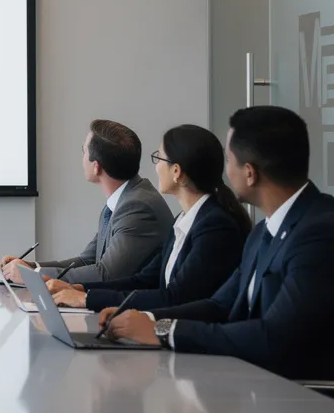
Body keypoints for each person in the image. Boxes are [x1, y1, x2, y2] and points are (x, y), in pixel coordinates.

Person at [102, 106, 334, 387]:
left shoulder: (322, 236)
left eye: (229, 161)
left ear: (250, 173)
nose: (224, 172)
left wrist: (164, 331)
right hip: (274, 392)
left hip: (331, 409)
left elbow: (274, 338)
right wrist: (146, 320)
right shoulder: (267, 230)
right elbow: (221, 305)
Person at [49, 124, 251, 311]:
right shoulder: (183, 220)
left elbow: (176, 297)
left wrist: (87, 299)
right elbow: (143, 280)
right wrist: (82, 289)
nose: (155, 167)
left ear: (176, 172)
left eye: (159, 158)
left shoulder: (214, 226)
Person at [1, 120, 174, 285]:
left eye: (84, 151)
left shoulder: (137, 207)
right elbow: (87, 260)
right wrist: (31, 267)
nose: (82, 156)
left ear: (96, 166)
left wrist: (32, 276)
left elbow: (106, 274)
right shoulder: (124, 200)